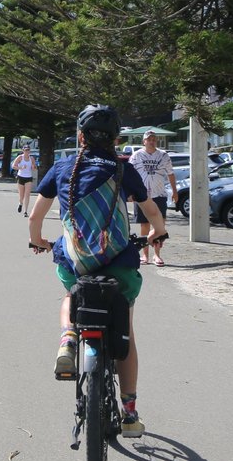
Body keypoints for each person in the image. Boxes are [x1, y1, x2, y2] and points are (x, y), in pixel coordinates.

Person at [28, 104, 167, 437]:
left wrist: (40, 242)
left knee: (69, 295)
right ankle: (130, 413)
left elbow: (35, 219)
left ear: (80, 136)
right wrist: (154, 234)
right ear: (116, 138)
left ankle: (67, 339)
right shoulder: (123, 169)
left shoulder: (62, 168)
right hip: (119, 264)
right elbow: (152, 213)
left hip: (76, 264)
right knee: (126, 330)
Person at [129, 130, 178, 266]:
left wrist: (175, 191)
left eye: (154, 139)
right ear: (144, 141)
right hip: (142, 196)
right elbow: (130, 175)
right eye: (148, 139)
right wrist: (130, 192)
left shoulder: (163, 155)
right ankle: (145, 256)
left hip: (159, 195)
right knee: (145, 225)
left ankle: (157, 255)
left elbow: (171, 174)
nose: (151, 141)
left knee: (159, 226)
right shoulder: (137, 156)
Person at [12, 144, 37, 216]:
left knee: (27, 195)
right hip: (20, 177)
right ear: (23, 151)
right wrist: (21, 168)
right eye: (25, 150)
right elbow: (13, 166)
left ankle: (25, 211)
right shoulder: (20, 157)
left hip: (28, 177)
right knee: (21, 195)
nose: (27, 152)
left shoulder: (31, 158)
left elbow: (34, 168)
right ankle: (20, 203)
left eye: (28, 150)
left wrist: (33, 167)